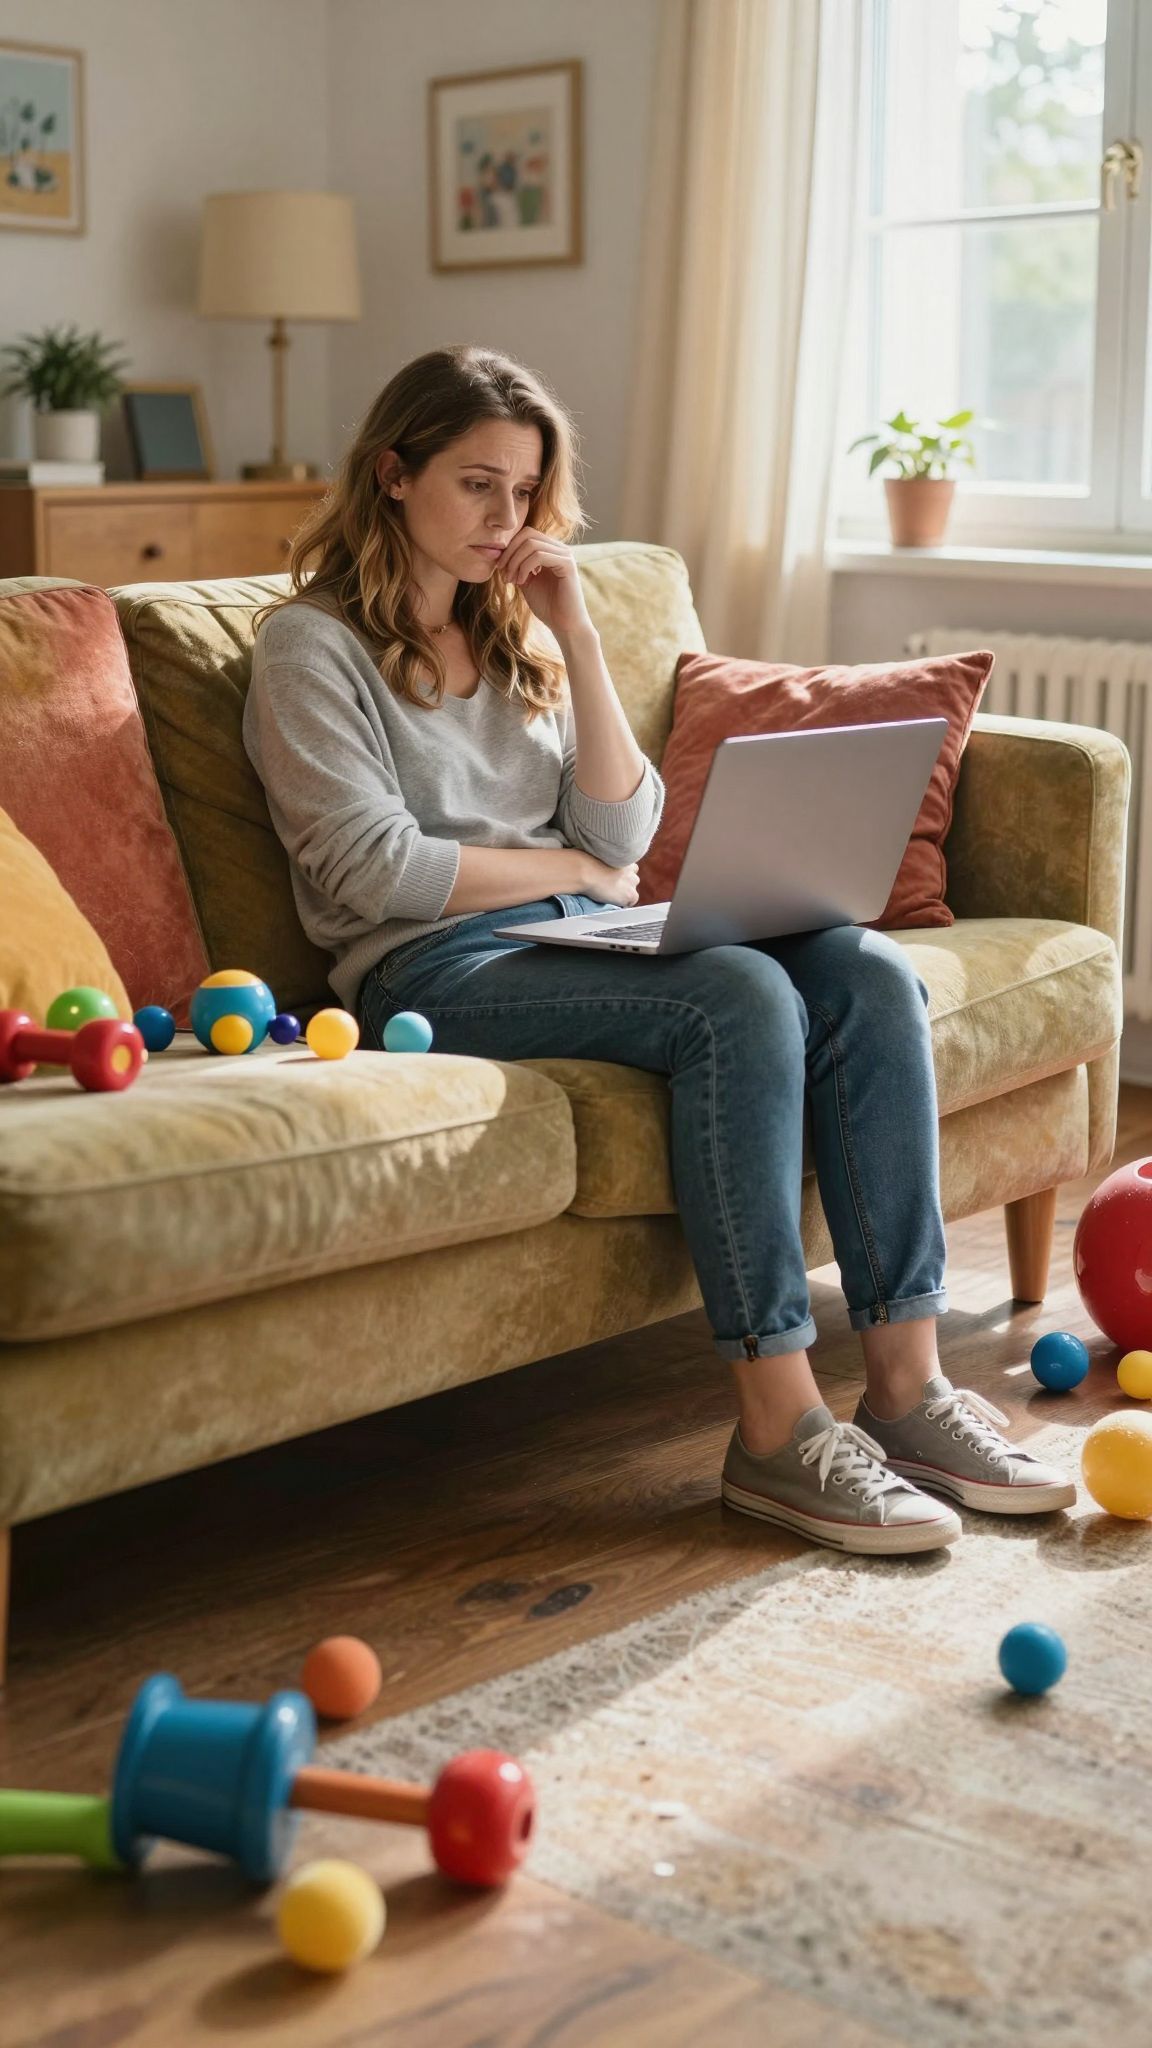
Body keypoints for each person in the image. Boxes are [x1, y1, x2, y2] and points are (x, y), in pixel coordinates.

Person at [243, 342, 1077, 1558]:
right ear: (391, 475)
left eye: (524, 492)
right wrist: (576, 876)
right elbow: (375, 867)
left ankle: (906, 1390)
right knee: (735, 994)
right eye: (477, 484)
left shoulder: (515, 632)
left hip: (571, 933)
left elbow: (622, 833)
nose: (506, 517)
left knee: (856, 968)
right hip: (431, 969)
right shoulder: (307, 649)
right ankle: (776, 1432)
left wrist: (573, 632)